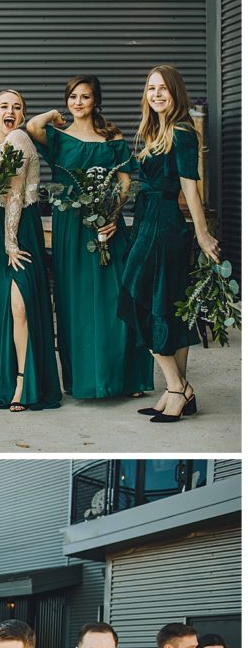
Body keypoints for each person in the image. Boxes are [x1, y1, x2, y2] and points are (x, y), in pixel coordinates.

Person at [27, 76, 154, 399]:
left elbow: (125, 182)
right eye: (73, 96)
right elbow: (31, 127)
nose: (78, 102)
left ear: (96, 101)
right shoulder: (57, 137)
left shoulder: (112, 136)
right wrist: (55, 113)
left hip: (108, 224)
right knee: (75, 301)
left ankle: (125, 378)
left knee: (115, 298)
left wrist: (112, 215)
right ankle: (83, 379)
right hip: (70, 226)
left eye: (85, 97)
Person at [118, 64, 220, 422]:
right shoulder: (154, 131)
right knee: (168, 303)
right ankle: (180, 390)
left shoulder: (181, 132)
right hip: (149, 221)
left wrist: (202, 233)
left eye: (163, 88)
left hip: (164, 225)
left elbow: (190, 187)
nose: (157, 94)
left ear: (176, 92)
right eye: (151, 88)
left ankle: (176, 388)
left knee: (140, 298)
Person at [0, 90, 62, 412]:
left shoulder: (19, 138)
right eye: (4, 106)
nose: (11, 111)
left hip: (21, 233)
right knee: (3, 308)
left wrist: (10, 242)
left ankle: (22, 381)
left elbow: (16, 195)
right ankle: (6, 375)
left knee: (21, 305)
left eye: (17, 107)